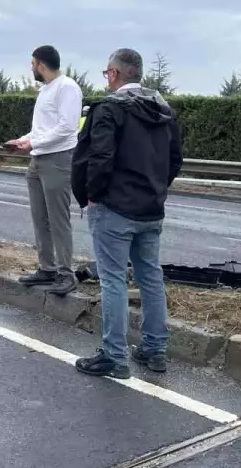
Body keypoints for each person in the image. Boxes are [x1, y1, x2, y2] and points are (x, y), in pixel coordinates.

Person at [71, 48, 182, 379]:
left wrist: (92, 195)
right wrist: (157, 189)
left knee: (113, 280)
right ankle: (154, 349)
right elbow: (175, 159)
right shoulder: (164, 111)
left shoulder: (109, 109)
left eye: (107, 74)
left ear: (115, 74)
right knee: (150, 277)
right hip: (151, 208)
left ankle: (114, 356)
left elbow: (98, 155)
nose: (107, 79)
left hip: (114, 208)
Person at [5, 45, 83, 296]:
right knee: (40, 218)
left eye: (33, 63)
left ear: (41, 64)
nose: (31, 68)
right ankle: (47, 268)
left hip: (57, 159)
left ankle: (66, 274)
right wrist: (22, 140)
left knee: (58, 219)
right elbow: (42, 129)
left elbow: (67, 128)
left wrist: (33, 143)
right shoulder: (46, 90)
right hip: (38, 160)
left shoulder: (67, 87)